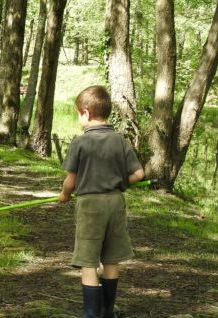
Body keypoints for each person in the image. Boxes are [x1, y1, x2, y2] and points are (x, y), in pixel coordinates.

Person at [59, 86, 145, 318]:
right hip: (116, 203)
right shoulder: (120, 140)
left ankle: (91, 314)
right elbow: (139, 175)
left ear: (86, 113)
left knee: (88, 260)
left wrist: (65, 195)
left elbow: (71, 180)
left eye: (78, 113)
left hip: (90, 206)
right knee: (111, 257)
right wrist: (118, 181)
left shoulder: (80, 143)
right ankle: (107, 310)